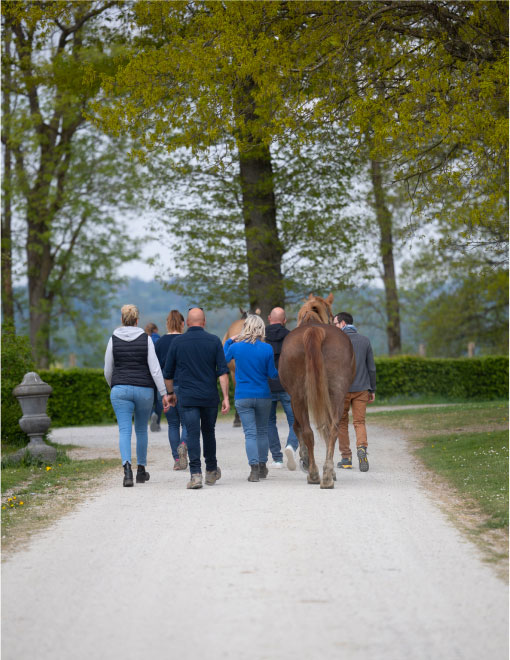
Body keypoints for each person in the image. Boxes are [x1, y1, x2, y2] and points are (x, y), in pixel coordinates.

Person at [104, 304, 171, 487]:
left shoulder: (113, 339)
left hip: (120, 389)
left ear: (121, 319)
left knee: (124, 431)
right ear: (137, 320)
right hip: (144, 389)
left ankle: (127, 471)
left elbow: (108, 369)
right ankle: (141, 470)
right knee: (141, 430)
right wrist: (164, 393)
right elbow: (155, 370)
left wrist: (114, 385)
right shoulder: (146, 338)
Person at [163, 307, 230, 489]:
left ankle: (195, 475)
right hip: (209, 396)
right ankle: (211, 470)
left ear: (188, 323)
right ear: (204, 322)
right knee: (209, 432)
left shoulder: (178, 342)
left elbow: (167, 374)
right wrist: (225, 397)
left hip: (188, 396)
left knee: (192, 433)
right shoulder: (214, 341)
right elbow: (223, 373)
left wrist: (170, 395)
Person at [224, 315, 279, 482]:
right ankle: (263, 466)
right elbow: (272, 374)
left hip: (243, 396)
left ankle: (254, 470)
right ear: (261, 328)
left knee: (250, 434)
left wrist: (229, 341)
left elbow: (223, 360)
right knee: (262, 431)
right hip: (263, 395)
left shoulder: (236, 348)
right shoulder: (267, 348)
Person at [334, 312, 376, 472]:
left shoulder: (336, 341)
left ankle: (346, 458)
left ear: (343, 323)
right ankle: (362, 449)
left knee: (342, 422)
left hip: (342, 390)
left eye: (336, 324)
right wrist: (372, 388)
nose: (334, 327)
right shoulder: (365, 340)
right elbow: (371, 368)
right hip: (362, 388)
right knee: (359, 422)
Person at [265, 307, 299, 470]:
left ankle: (277, 459)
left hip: (267, 385)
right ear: (285, 320)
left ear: (269, 318)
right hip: (288, 385)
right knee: (295, 419)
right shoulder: (292, 336)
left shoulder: (261, 337)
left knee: (269, 422)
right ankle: (291, 445)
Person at [155, 310, 188, 471]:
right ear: (182, 324)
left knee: (173, 424)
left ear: (167, 323)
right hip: (184, 386)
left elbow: (155, 368)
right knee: (187, 422)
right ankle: (183, 445)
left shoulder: (159, 343)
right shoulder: (185, 340)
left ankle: (177, 459)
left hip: (165, 388)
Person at [145, 322, 163, 431]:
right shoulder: (161, 340)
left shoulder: (145, 341)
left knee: (150, 399)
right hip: (160, 373)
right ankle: (157, 422)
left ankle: (152, 413)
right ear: (156, 329)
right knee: (159, 400)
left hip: (148, 374)